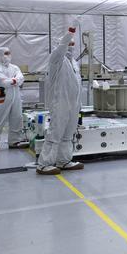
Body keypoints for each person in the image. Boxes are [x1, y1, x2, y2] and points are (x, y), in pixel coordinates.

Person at [36, 27, 84, 175]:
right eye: (69, 43)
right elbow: (62, 47)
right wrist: (70, 32)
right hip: (60, 103)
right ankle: (44, 164)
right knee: (55, 133)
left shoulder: (73, 63)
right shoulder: (56, 59)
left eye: (73, 44)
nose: (71, 46)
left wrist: (78, 103)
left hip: (73, 103)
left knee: (68, 133)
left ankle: (64, 161)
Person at [0, 47, 28, 152]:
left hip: (16, 96)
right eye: (5, 53)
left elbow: (21, 78)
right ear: (0, 55)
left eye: (9, 53)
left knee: (17, 118)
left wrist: (13, 80)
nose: (8, 55)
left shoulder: (14, 67)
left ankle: (14, 141)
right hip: (2, 96)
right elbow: (3, 82)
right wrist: (15, 80)